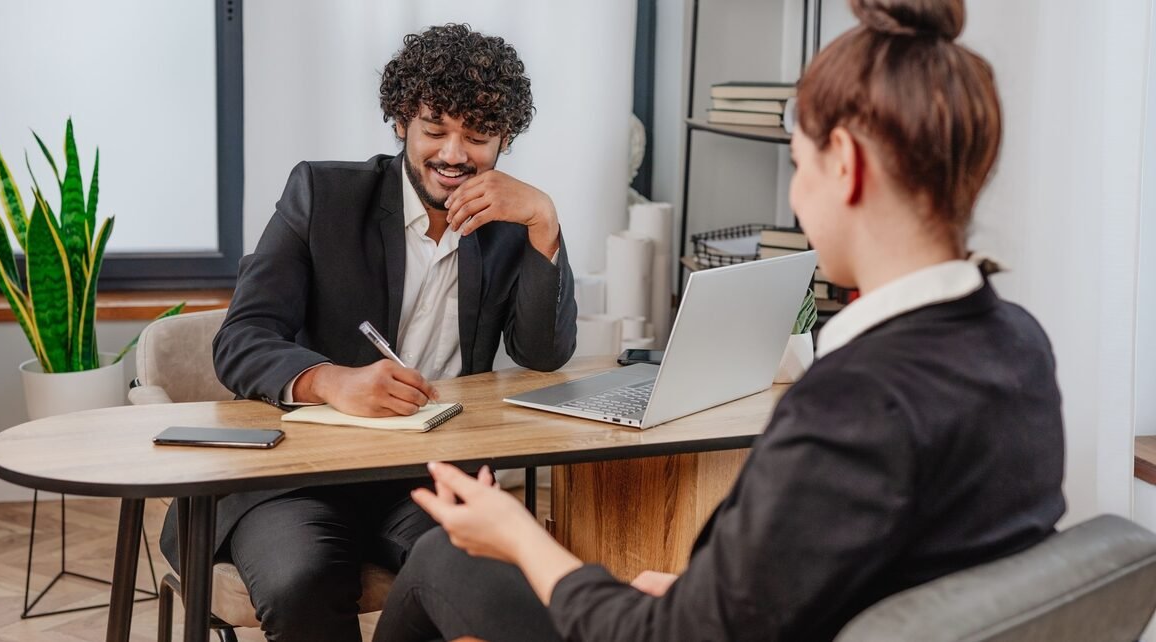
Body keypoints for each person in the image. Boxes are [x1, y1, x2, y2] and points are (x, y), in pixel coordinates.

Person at [372, 1, 1066, 640]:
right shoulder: (1019, 347)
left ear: (846, 166)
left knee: (443, 556)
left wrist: (517, 534)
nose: (797, 193)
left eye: (799, 165)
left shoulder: (849, 406)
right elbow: (906, 575)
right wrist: (714, 593)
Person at [158, 24, 577, 641]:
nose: (454, 154)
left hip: (427, 474)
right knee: (303, 579)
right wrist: (330, 381)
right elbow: (242, 337)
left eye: (478, 136)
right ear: (402, 122)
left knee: (486, 578)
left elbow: (543, 355)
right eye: (434, 130)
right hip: (297, 478)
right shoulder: (322, 195)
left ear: (504, 138)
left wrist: (544, 221)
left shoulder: (512, 220)